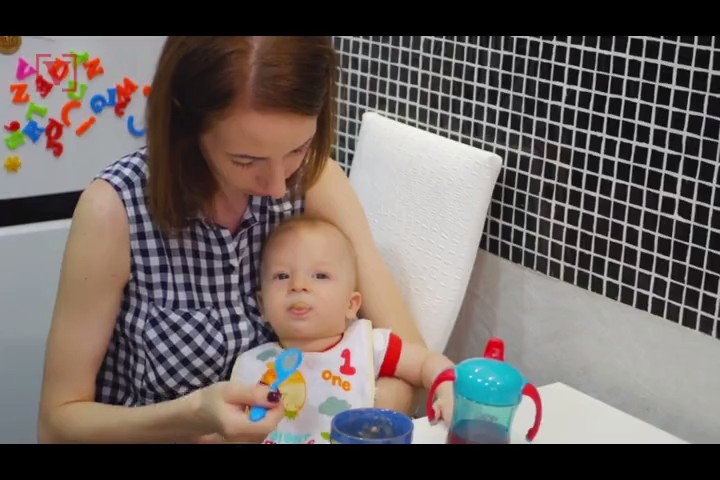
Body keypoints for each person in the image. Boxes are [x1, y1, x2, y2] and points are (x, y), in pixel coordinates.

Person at [37, 36, 425, 444]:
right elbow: (57, 423)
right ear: (186, 128)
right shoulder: (115, 210)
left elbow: (409, 363)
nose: (278, 187)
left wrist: (339, 420)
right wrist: (191, 415)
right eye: (246, 160)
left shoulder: (316, 182)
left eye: (298, 148)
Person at [229, 215, 455, 444]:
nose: (298, 285)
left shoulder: (366, 345)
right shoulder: (253, 365)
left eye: (320, 275)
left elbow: (426, 363)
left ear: (351, 304)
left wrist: (447, 388)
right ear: (262, 304)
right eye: (282, 276)